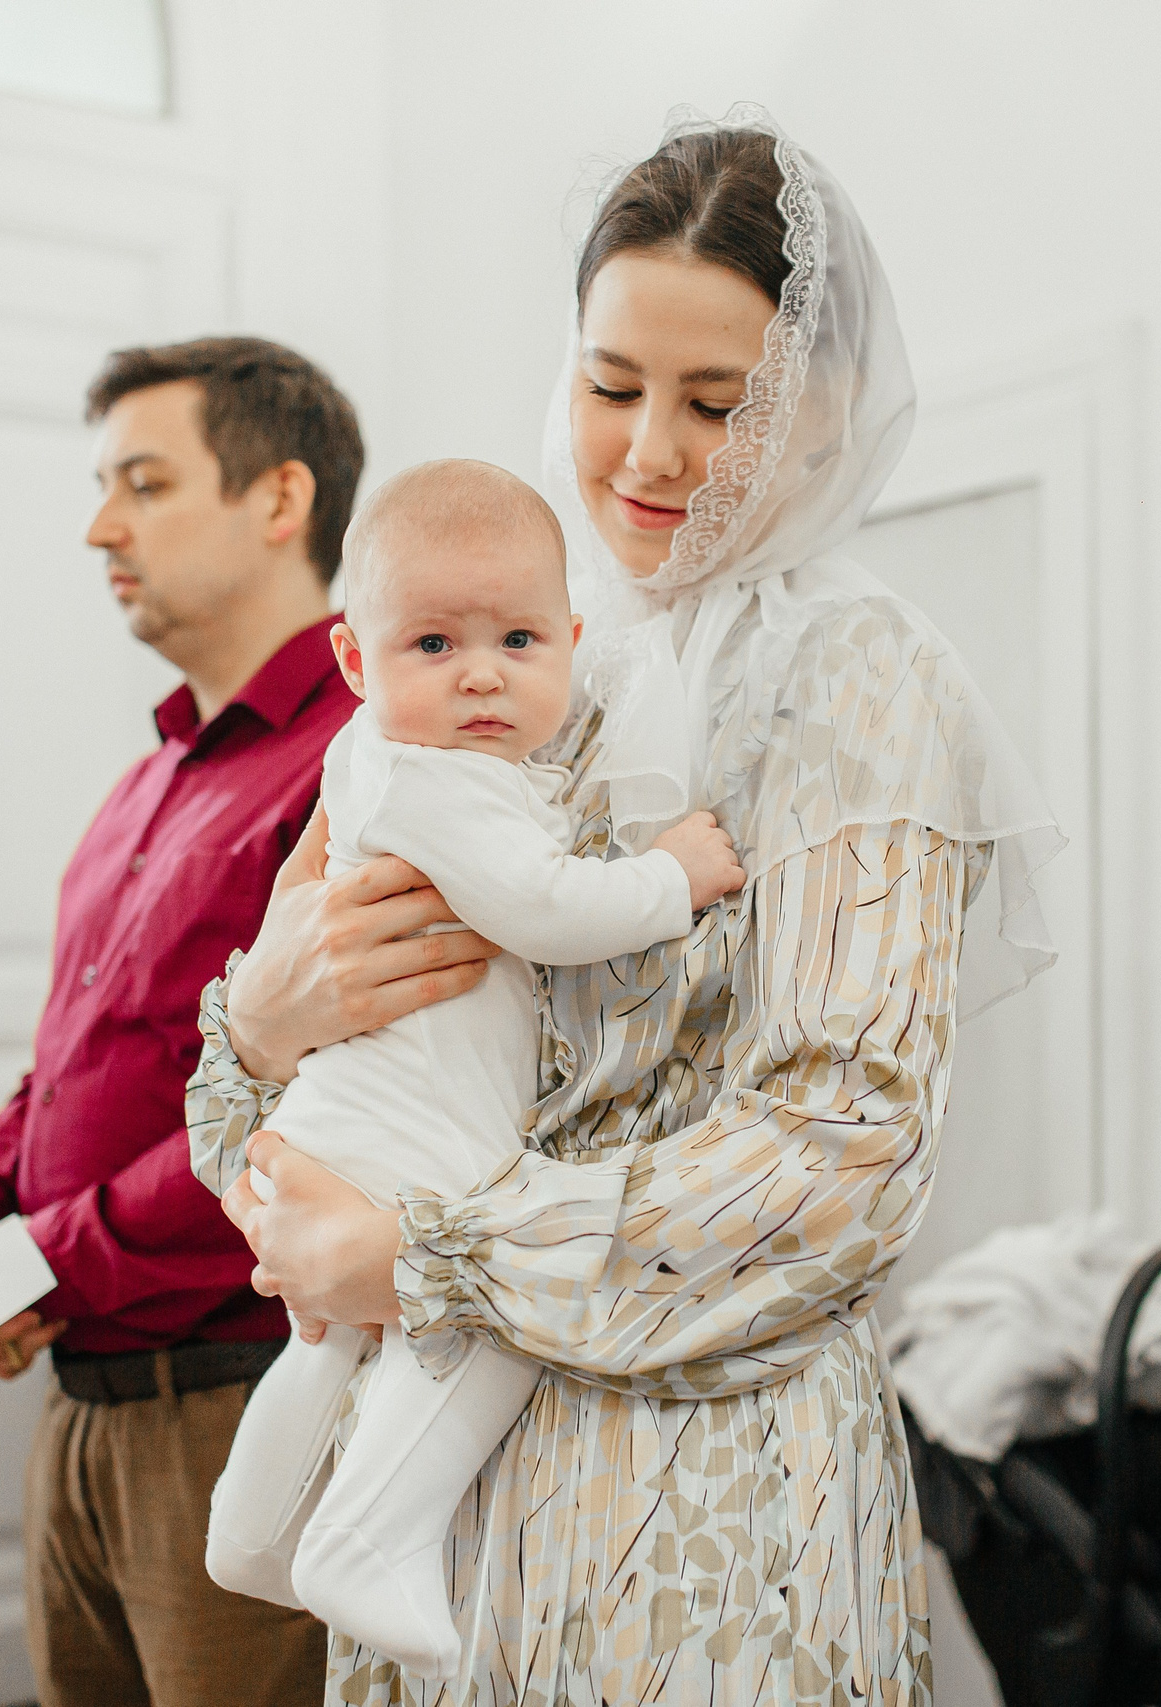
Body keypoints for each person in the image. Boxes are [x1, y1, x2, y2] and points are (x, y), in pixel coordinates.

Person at [186, 108, 1058, 1702]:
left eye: (718, 400)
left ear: (824, 407)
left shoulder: (856, 679)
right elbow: (279, 1102)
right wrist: (257, 1027)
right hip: (440, 1523)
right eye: (611, 384)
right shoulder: (507, 652)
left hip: (701, 1514)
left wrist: (430, 1253)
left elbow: (843, 1156)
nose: (649, 452)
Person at [198, 458, 746, 1674]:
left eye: (516, 638)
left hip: (344, 1117)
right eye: (434, 645)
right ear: (356, 662)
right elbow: (544, 910)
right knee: (481, 1322)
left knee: (328, 1337)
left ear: (571, 639)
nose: (482, 673)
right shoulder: (442, 782)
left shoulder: (370, 763)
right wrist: (672, 878)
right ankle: (367, 1537)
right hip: (415, 1135)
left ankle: (252, 1529)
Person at [0, 336, 371, 1706]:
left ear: (279, 499)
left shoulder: (362, 762)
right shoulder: (149, 776)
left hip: (239, 1402)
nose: (98, 525)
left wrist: (39, 1256)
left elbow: (314, 1118)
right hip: (83, 1409)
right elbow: (70, 1055)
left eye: (144, 481)